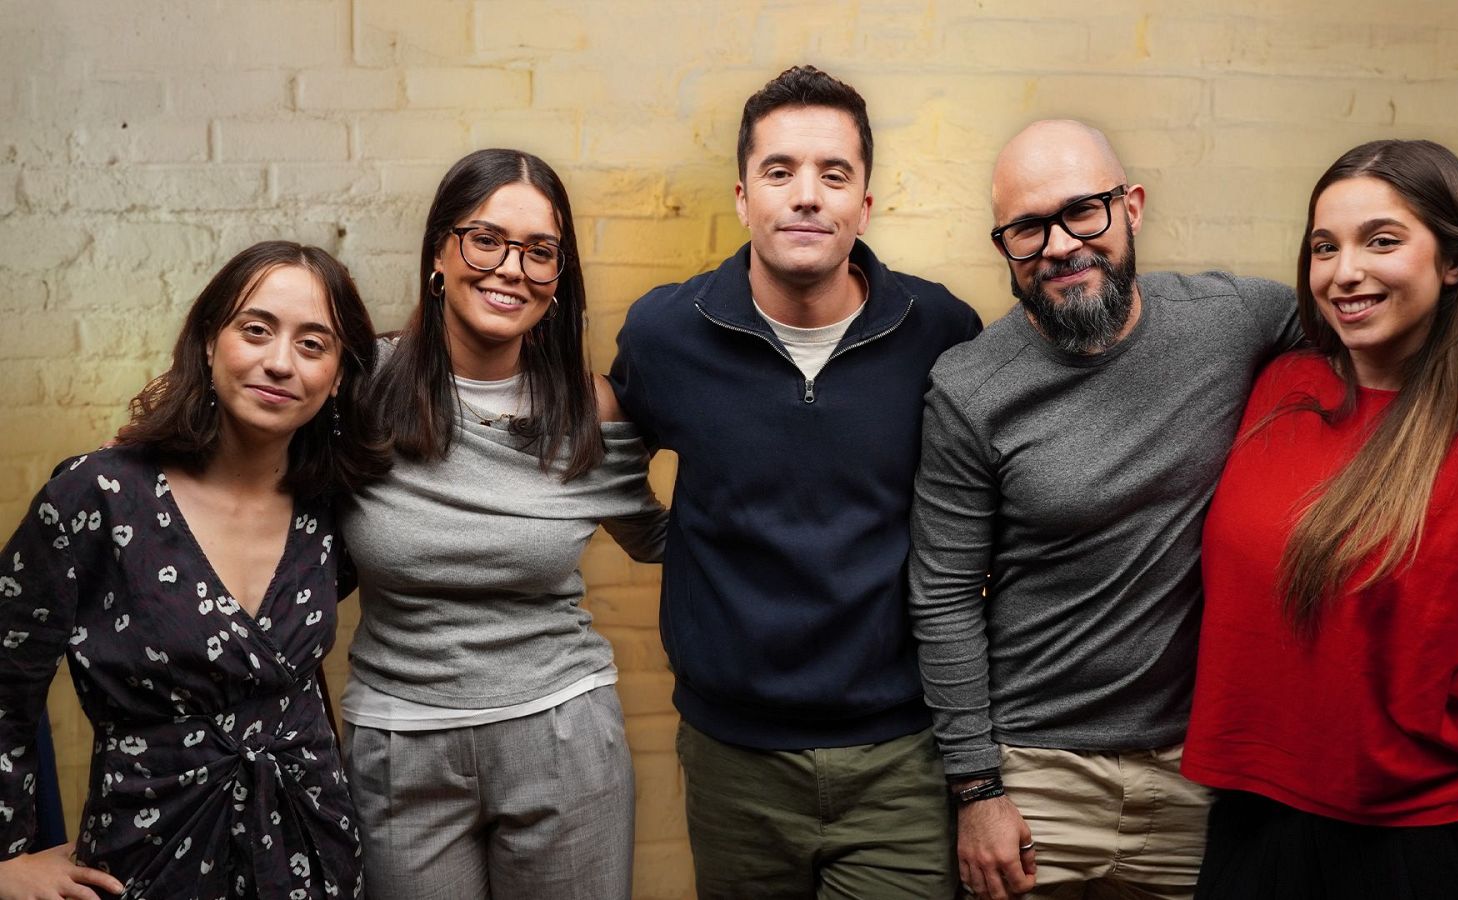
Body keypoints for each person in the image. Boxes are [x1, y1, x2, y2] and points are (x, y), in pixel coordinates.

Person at [908, 120, 1458, 900]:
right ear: (1004, 244)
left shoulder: (1238, 326)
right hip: (1046, 778)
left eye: (1083, 211)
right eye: (1028, 228)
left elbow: (1388, 328)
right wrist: (978, 787)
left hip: (1197, 780)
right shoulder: (976, 387)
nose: (1060, 245)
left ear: (1132, 207)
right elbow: (943, 594)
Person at [608, 65, 982, 898]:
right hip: (733, 758)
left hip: (900, 756)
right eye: (780, 172)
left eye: (833, 174)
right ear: (744, 198)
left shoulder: (940, 331)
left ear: (865, 205)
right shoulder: (668, 333)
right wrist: (666, 540)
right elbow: (605, 445)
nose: (806, 196)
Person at [1182, 140, 1458, 900]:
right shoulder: (1277, 384)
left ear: (1453, 262)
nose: (1345, 272)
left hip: (1414, 851)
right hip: (1248, 832)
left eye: (1382, 241)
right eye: (1324, 247)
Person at [0, 240, 387, 900]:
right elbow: (7, 683)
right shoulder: (98, 496)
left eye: (313, 344)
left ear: (338, 375)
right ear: (209, 341)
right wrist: (6, 862)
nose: (280, 362)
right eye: (256, 330)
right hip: (147, 849)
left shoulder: (332, 506)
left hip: (312, 844)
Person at [339, 148, 666, 900]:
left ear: (558, 277)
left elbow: (658, 540)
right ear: (439, 252)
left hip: (564, 739)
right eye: (486, 240)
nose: (511, 269)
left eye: (539, 251)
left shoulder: (587, 408)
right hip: (399, 748)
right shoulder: (362, 389)